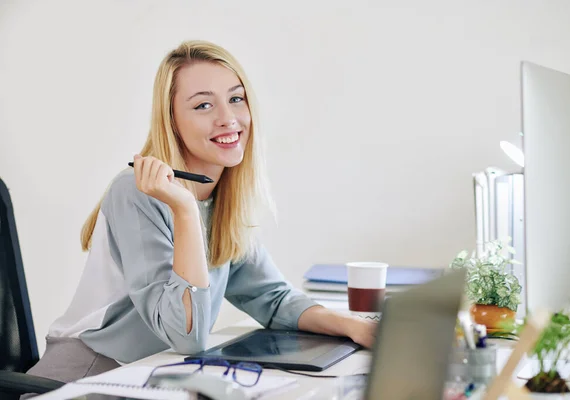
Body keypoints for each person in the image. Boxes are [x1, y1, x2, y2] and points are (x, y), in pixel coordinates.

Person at [25, 40, 376, 385]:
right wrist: (185, 211)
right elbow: (185, 334)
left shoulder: (222, 198)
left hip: (152, 373)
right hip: (87, 376)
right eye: (203, 106)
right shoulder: (137, 191)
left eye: (236, 99)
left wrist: (356, 327)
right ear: (172, 120)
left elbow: (272, 297)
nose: (228, 119)